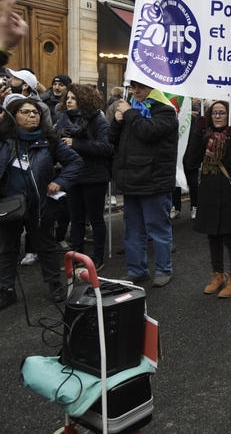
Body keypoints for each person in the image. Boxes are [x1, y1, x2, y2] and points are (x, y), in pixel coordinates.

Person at [0, 98, 83, 309]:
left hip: (40, 206)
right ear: (13, 116)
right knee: (6, 249)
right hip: (8, 206)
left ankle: (55, 285)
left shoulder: (50, 140)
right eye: (25, 112)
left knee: (46, 247)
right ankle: (6, 290)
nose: (32, 116)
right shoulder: (4, 140)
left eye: (35, 112)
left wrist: (60, 181)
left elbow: (75, 162)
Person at [108, 80, 178, 286]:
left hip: (154, 180)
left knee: (158, 229)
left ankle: (164, 269)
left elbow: (148, 132)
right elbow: (112, 139)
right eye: (133, 87)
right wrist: (117, 121)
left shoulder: (166, 110)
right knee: (133, 231)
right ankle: (137, 269)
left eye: (141, 86)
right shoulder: (133, 110)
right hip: (131, 180)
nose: (136, 91)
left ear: (153, 88)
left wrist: (129, 113)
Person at [185, 100, 231, 298]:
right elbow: (190, 162)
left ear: (229, 116)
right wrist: (197, 133)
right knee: (212, 236)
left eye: (222, 112)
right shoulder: (204, 136)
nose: (218, 116)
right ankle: (217, 275)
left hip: (229, 194)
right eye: (214, 112)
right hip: (209, 192)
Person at [54, 83, 113, 270]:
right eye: (67, 98)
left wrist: (76, 143)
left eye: (73, 98)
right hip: (73, 176)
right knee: (76, 219)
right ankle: (76, 256)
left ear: (84, 100)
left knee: (95, 219)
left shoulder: (98, 120)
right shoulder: (63, 119)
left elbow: (106, 148)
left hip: (94, 177)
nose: (69, 101)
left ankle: (97, 258)